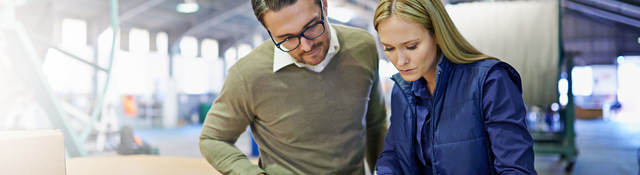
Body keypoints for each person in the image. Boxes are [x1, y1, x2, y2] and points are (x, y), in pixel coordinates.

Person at [199, 0, 388, 174]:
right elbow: (213, 139)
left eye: (311, 26)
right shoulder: (247, 75)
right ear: (269, 31)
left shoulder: (363, 47)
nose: (306, 46)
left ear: (324, 5)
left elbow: (376, 122)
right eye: (287, 38)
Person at [372, 0, 537, 174]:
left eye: (411, 47)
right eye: (389, 48)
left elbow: (516, 169)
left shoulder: (491, 82)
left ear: (437, 34)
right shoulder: (402, 91)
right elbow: (394, 155)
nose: (400, 61)